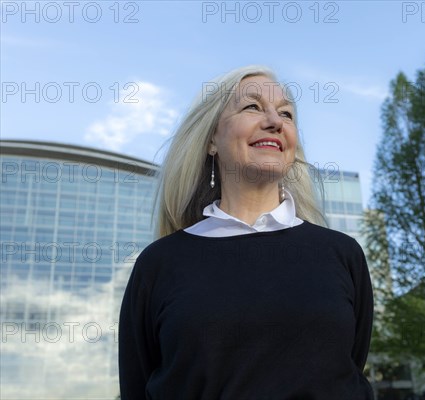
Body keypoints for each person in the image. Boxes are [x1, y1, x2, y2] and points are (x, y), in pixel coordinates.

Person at [118, 65, 375, 399]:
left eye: (286, 113)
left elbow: (350, 367)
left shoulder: (343, 255)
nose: (275, 121)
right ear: (211, 140)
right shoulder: (159, 265)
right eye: (252, 107)